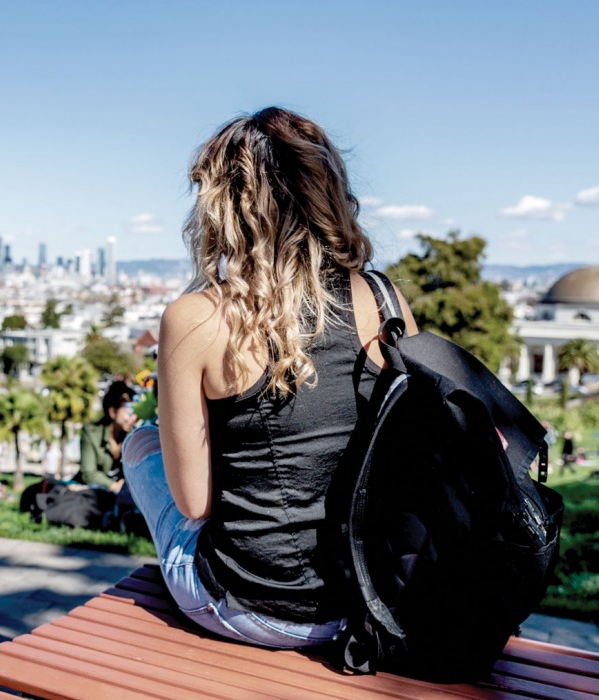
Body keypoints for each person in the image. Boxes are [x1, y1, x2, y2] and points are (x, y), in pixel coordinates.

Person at [121, 107, 419, 650]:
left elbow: (194, 505)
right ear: (327, 191)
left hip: (252, 606)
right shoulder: (383, 299)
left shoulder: (196, 319)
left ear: (224, 207)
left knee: (139, 446)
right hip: (369, 596)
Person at [76, 381, 138, 491]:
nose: (133, 418)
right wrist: (113, 486)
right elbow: (89, 473)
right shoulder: (91, 433)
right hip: (92, 493)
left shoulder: (133, 436)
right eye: (128, 412)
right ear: (112, 412)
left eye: (134, 413)